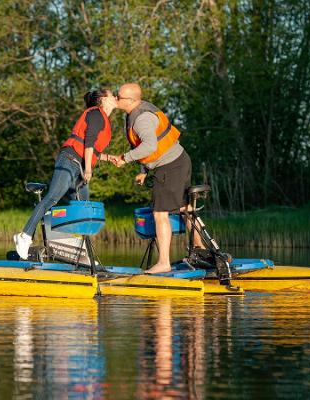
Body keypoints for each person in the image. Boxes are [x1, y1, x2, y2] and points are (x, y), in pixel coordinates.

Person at [13, 89, 118, 260]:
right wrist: (89, 170)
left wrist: (108, 157)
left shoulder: (103, 118)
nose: (115, 96)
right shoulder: (96, 114)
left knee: (83, 208)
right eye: (112, 94)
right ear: (102, 99)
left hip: (79, 164)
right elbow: (89, 141)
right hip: (70, 159)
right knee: (53, 198)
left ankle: (84, 255)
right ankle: (24, 236)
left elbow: (91, 148)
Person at [112, 83, 199, 274]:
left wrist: (125, 158)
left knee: (160, 214)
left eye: (119, 96)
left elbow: (150, 146)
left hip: (169, 167)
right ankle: (201, 251)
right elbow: (151, 144)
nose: (116, 99)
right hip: (180, 160)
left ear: (133, 100)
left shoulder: (141, 118)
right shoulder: (139, 109)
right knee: (186, 209)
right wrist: (144, 170)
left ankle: (164, 263)